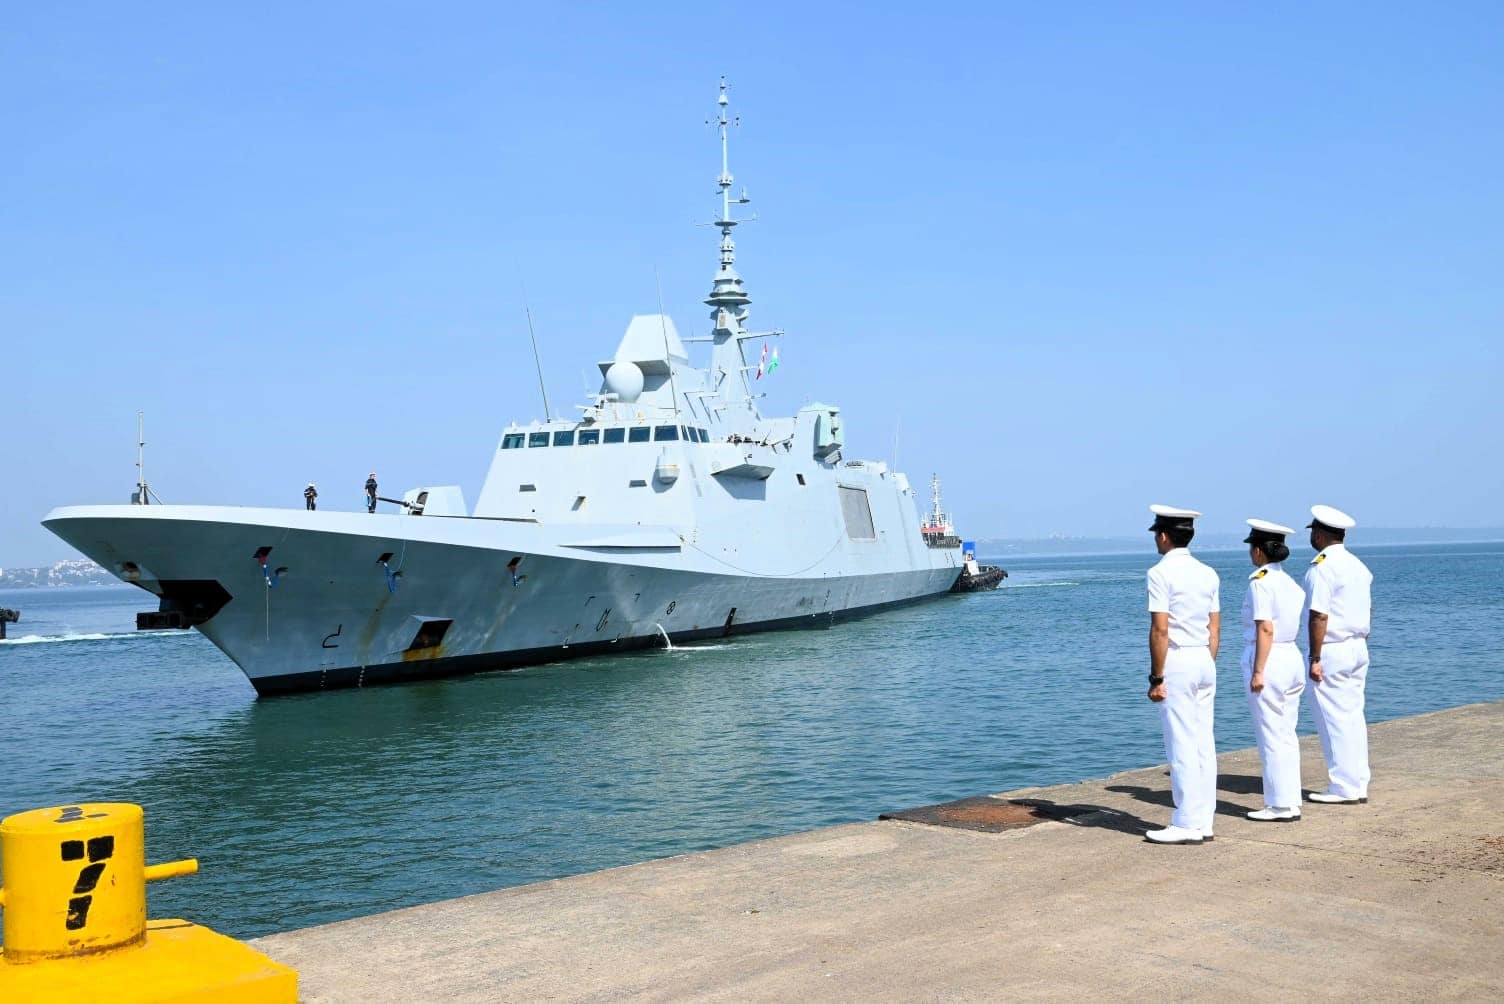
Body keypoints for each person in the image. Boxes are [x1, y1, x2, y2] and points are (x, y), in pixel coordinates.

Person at [1144, 504, 1221, 845]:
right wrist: (1207, 660)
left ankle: (1187, 821)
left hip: (1177, 659)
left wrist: (1157, 678)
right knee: (1204, 742)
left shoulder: (1159, 573)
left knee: (1181, 743)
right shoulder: (1208, 573)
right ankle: (1204, 819)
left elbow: (1160, 630)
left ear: (1163, 536)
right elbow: (1214, 627)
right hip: (1204, 657)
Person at [1303, 504, 1374, 805]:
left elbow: (1319, 615)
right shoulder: (1358, 566)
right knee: (1353, 716)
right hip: (1357, 646)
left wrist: (1315, 657)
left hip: (1331, 648)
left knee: (1333, 719)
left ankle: (1343, 786)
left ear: (1319, 535)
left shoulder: (1322, 567)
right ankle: (1358, 782)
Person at [1240, 519, 1308, 822]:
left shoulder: (1261, 582)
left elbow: (1264, 628)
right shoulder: (1290, 583)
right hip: (1291, 654)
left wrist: (1258, 671)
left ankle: (1279, 804)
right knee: (1286, 732)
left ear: (1258, 551)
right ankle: (1290, 800)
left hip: (1269, 657)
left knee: (1270, 734)